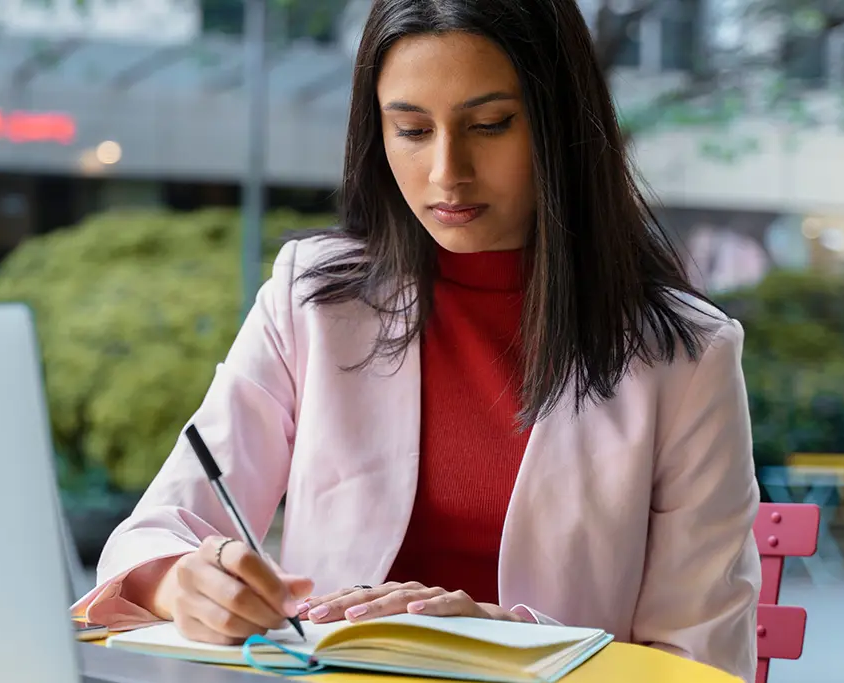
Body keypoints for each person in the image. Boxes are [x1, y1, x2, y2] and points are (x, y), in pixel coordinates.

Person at [73, 0, 761, 680]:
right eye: (410, 129)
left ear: (560, 125)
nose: (446, 172)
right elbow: (156, 529)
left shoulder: (685, 356)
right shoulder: (313, 299)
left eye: (490, 124)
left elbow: (699, 660)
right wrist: (180, 579)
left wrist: (510, 637)